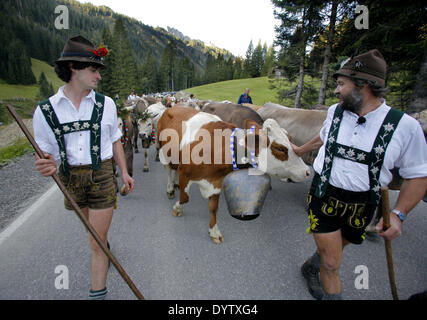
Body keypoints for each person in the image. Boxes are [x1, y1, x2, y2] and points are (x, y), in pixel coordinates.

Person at [292, 49, 427, 300]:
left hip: (364, 202)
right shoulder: (335, 112)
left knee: (340, 245)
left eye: (341, 84)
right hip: (323, 193)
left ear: (364, 85)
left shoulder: (404, 126)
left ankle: (313, 264)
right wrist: (300, 150)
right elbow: (324, 137)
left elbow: (418, 175)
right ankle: (324, 278)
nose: (336, 90)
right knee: (332, 263)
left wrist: (398, 215)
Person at [33, 35, 135, 300]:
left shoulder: (107, 105)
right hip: (70, 178)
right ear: (73, 69)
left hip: (102, 174)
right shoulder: (45, 111)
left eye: (99, 70)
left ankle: (97, 294)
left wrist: (124, 172)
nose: (99, 77)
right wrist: (45, 165)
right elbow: (46, 155)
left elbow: (114, 141)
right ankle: (102, 246)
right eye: (93, 70)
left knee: (95, 242)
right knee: (92, 233)